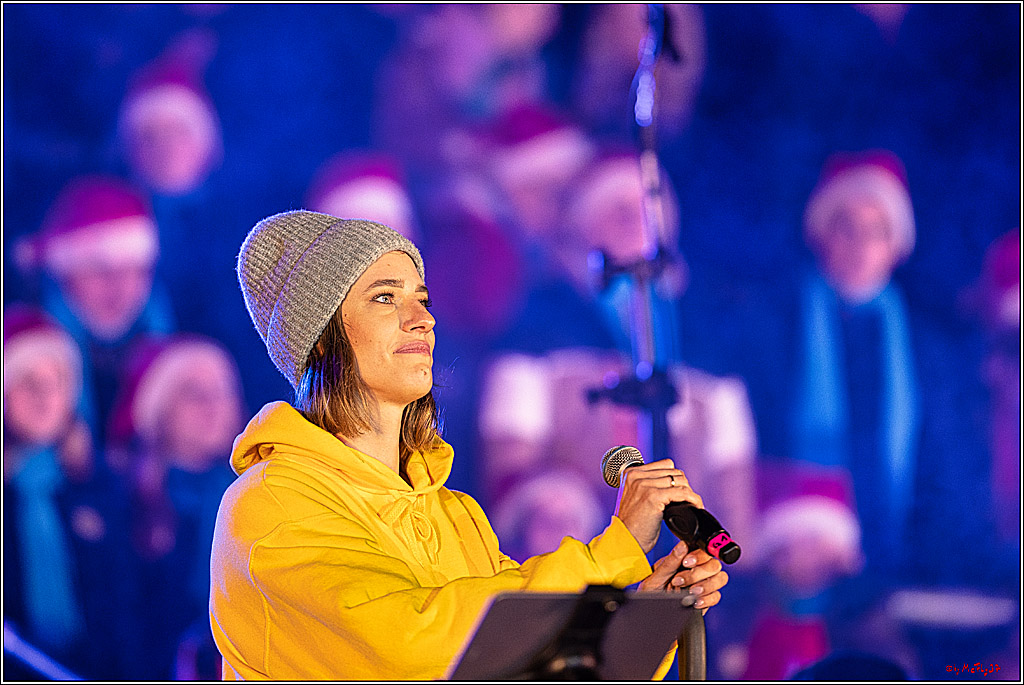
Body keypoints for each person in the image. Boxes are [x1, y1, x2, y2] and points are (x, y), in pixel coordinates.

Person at [210, 211, 730, 680]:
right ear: (321, 338)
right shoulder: (270, 505)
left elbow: (530, 664)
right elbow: (413, 647)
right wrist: (618, 549)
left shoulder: (455, 515)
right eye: (385, 297)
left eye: (423, 299)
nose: (422, 318)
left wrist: (645, 613)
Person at [2, 305, 138, 680]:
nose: (43, 396)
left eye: (57, 381)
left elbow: (124, 602)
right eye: (26, 381)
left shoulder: (98, 483)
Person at [107, 334, 243, 680]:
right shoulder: (124, 498)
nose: (212, 405)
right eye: (193, 393)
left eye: (222, 391)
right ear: (158, 408)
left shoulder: (252, 492)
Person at [13, 175, 176, 448]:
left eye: (133, 270)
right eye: (98, 270)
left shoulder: (166, 339)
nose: (118, 286)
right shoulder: (20, 347)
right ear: (64, 273)